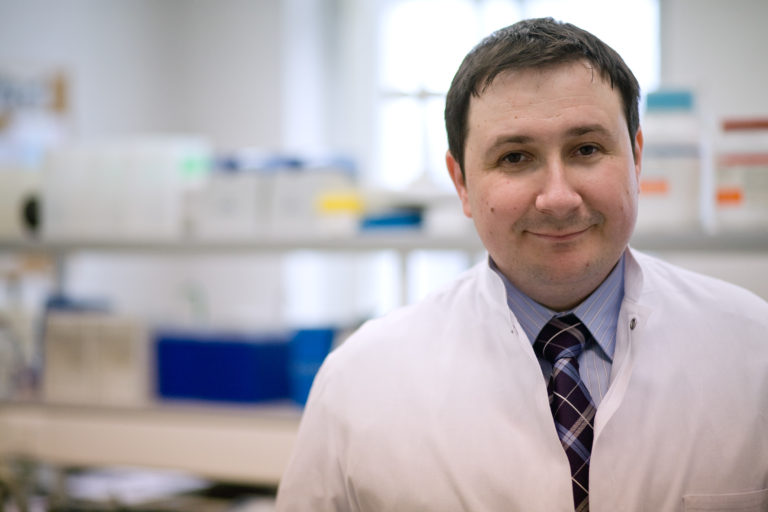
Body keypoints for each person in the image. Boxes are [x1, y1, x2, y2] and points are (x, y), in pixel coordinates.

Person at [275, 18, 768, 512]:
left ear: (636, 159)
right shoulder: (359, 380)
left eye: (587, 149)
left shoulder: (752, 348)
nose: (558, 197)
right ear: (462, 183)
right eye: (514, 158)